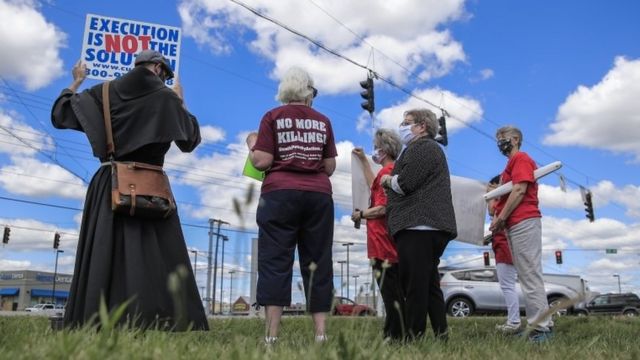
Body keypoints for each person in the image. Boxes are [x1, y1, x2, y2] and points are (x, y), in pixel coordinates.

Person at [51, 50, 208, 330]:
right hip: (150, 185)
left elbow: (60, 112)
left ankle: (95, 321)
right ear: (159, 68)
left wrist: (76, 81)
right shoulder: (167, 97)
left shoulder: (103, 92)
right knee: (155, 256)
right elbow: (190, 140)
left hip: (110, 181)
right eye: (166, 75)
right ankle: (158, 322)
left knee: (103, 252)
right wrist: (180, 101)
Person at [246, 66, 337, 344]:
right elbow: (330, 166)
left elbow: (260, 161)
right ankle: (320, 334)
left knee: (275, 262)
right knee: (318, 262)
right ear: (309, 92)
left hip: (279, 194)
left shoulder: (272, 117)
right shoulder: (323, 121)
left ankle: (272, 337)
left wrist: (252, 143)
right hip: (318, 195)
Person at [380, 108, 457, 341]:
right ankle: (441, 335)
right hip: (428, 227)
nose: (402, 127)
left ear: (422, 126)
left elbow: (405, 184)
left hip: (419, 226)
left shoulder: (422, 147)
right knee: (430, 284)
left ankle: (413, 338)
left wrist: (386, 179)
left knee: (413, 286)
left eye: (407, 123)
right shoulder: (426, 149)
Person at [489, 125, 552, 343]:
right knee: (528, 274)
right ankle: (542, 323)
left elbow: (519, 189)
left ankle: (541, 328)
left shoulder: (521, 159)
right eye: (497, 138)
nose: (499, 141)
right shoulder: (510, 164)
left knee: (529, 273)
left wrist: (501, 218)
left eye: (503, 137)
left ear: (515, 139)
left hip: (523, 220)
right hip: (516, 223)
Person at [350, 129, 403, 340]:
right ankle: (391, 332)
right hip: (383, 240)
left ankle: (396, 335)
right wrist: (363, 160)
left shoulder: (387, 172)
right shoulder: (387, 172)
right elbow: (374, 185)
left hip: (382, 242)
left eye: (376, 146)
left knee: (390, 293)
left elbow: (382, 207)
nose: (375, 150)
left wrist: (361, 214)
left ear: (385, 149)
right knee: (391, 292)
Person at [485, 175, 521, 333]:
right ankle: (514, 320)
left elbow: (492, 210)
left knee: (507, 286)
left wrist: (490, 195)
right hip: (502, 243)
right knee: (509, 285)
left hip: (504, 245)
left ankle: (514, 321)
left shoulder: (502, 201)